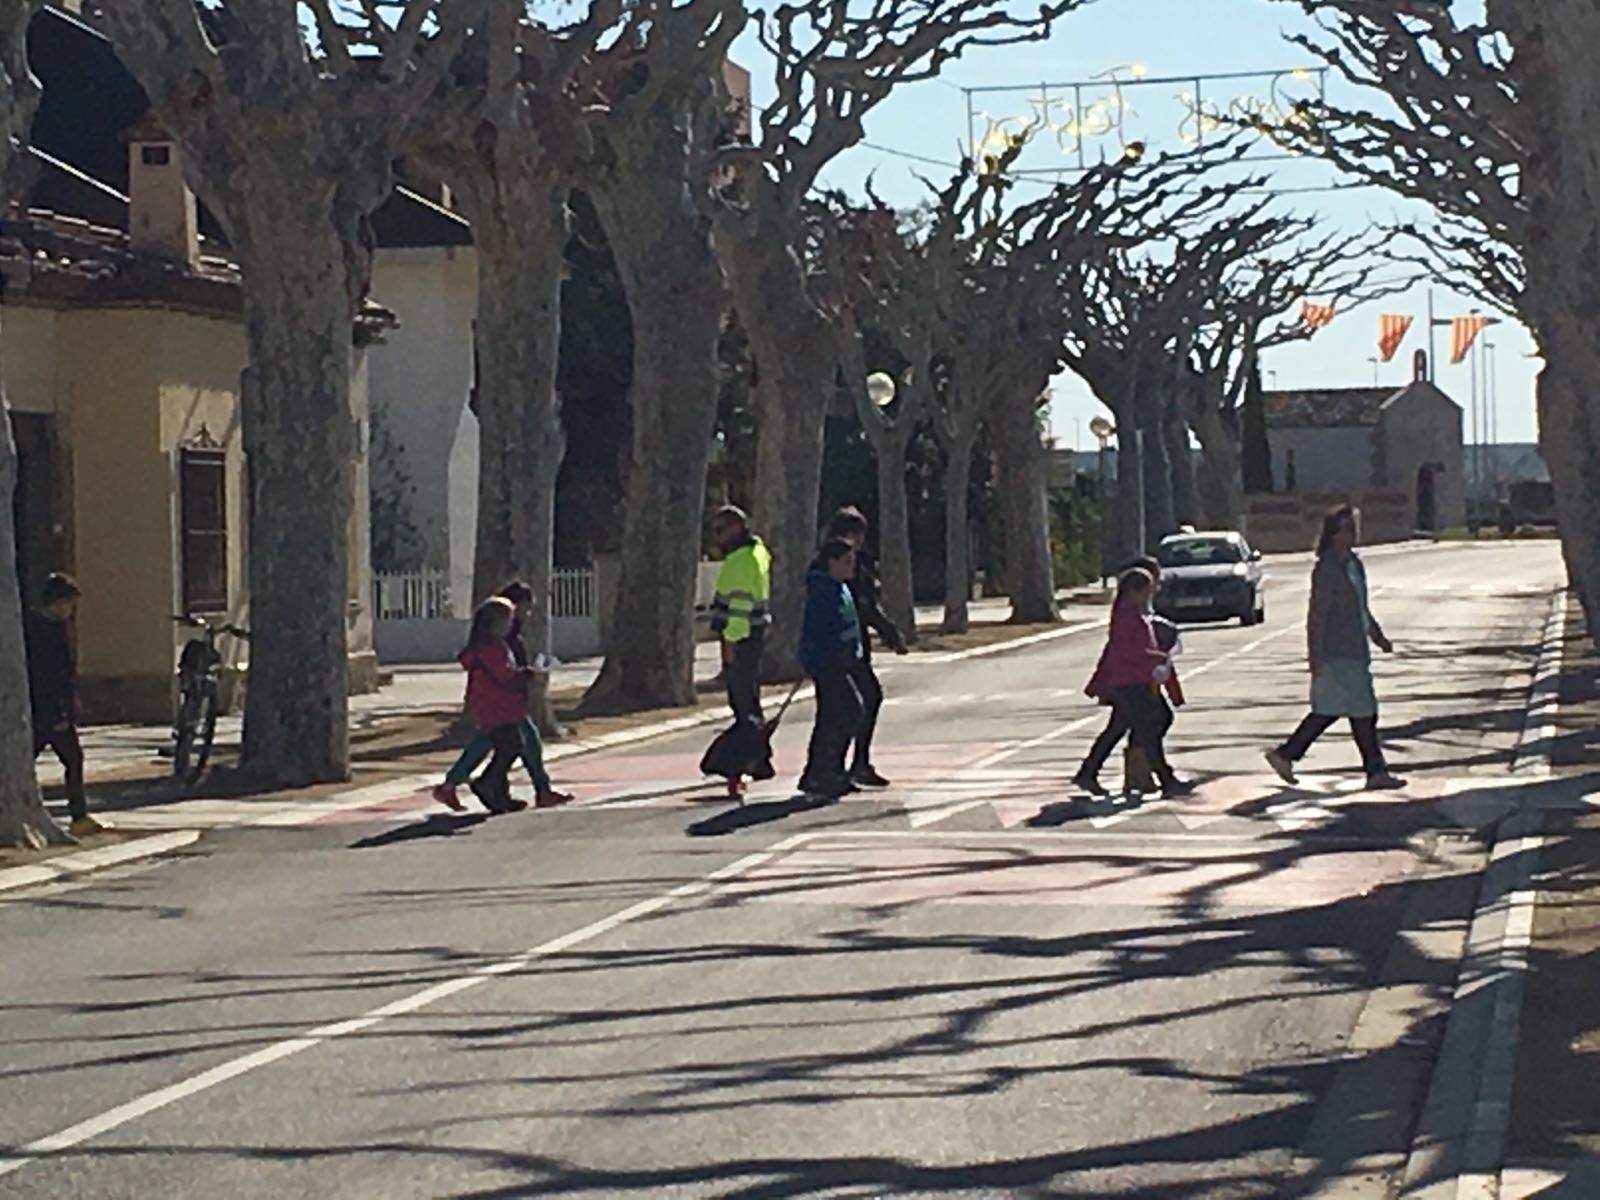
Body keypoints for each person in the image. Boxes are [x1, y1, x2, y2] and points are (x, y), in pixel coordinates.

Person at [1266, 506, 1403, 790]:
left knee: (1334, 710)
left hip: (1355, 649)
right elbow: (1317, 615)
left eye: (1351, 529)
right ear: (1331, 534)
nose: (1348, 536)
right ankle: (1376, 772)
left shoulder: (1354, 564)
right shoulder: (1327, 568)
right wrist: (1314, 654)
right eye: (1342, 530)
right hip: (1335, 651)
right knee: (1361, 710)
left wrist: (1377, 636)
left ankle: (1287, 754)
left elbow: (1361, 608)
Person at [434, 582, 573, 811]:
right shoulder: (497, 640)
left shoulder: (501, 636)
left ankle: (504, 790)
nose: (527, 615)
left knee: (511, 743)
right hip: (500, 703)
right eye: (525, 608)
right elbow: (504, 673)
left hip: (501, 702)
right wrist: (528, 674)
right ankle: (490, 786)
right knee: (513, 743)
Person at [1074, 566, 1193, 799]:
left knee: (1119, 728)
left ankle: (1089, 772)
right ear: (1133, 592)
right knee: (1154, 722)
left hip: (1137, 679)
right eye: (1146, 591)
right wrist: (1158, 656)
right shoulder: (1126, 616)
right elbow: (1129, 651)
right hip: (1129, 681)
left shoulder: (1135, 613)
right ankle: (1165, 778)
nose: (1150, 595)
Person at [822, 506, 908, 788]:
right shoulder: (837, 564)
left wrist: (889, 633)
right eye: (853, 534)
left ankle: (856, 763)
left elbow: (869, 604)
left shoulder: (859, 563)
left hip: (856, 646)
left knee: (862, 702)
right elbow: (862, 605)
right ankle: (836, 767)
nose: (858, 540)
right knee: (852, 705)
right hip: (842, 648)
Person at [25, 573, 99, 837]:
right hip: (50, 711)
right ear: (58, 602)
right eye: (69, 604)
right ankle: (78, 816)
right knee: (73, 759)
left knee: (27, 759)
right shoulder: (49, 631)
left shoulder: (33, 626)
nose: (71, 610)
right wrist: (61, 710)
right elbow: (53, 676)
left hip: (39, 710)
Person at [797, 539, 865, 799]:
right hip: (827, 662)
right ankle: (825, 770)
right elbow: (819, 629)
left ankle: (822, 771)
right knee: (849, 711)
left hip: (843, 661)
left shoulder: (841, 587)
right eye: (846, 561)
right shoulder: (822, 589)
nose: (851, 567)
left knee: (832, 717)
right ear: (832, 562)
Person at [708, 505, 772, 731]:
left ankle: (754, 752)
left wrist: (730, 646)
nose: (716, 537)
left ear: (735, 528)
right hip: (755, 632)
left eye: (719, 530)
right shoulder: (757, 552)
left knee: (742, 698)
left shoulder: (741, 560)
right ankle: (758, 755)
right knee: (750, 695)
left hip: (741, 637)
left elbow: (739, 608)